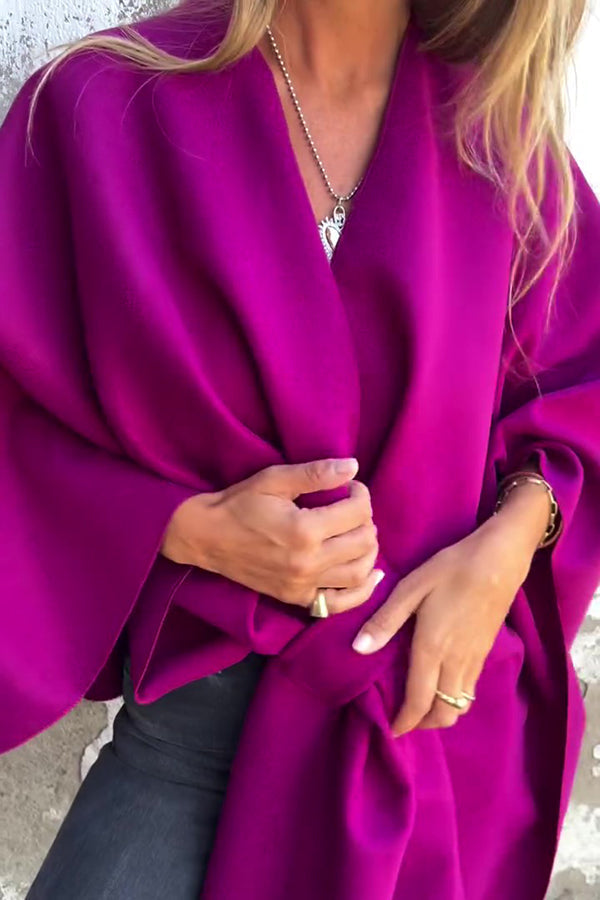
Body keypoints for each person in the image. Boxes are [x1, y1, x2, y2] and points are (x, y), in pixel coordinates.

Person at [1, 0, 599, 898]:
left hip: (424, 788)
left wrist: (513, 542)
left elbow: (579, 390)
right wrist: (178, 527)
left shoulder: (503, 148)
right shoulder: (101, 107)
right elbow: (16, 415)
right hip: (189, 762)